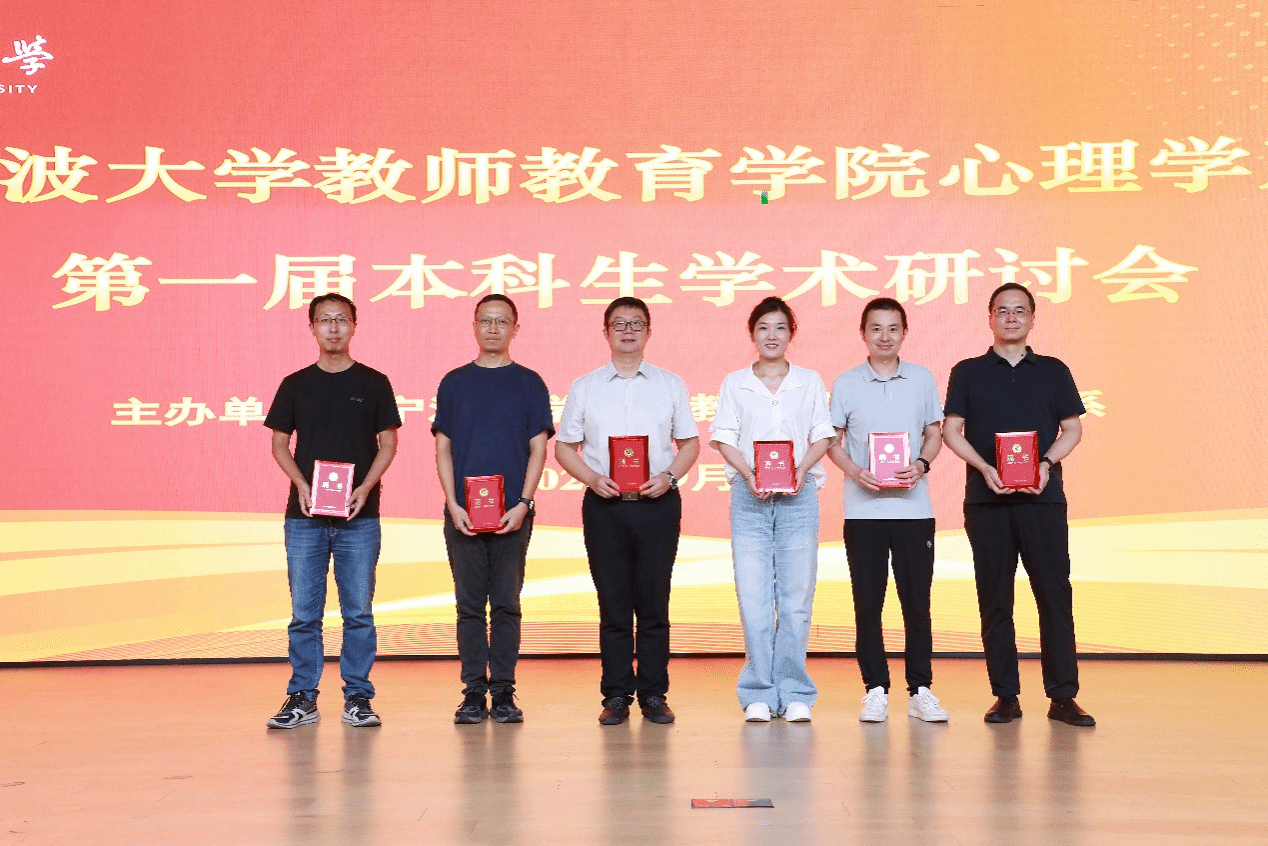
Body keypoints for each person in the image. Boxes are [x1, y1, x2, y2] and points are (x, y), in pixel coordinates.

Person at [942, 282, 1094, 727]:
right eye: (1003, 310)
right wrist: (984, 468)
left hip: (1043, 499)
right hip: (985, 500)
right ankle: (1005, 695)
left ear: (1032, 319)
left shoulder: (1053, 370)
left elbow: (1072, 429)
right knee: (995, 599)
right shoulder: (967, 371)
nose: (1011, 317)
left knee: (1054, 595)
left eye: (1020, 310)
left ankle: (1063, 696)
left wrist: (1046, 463)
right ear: (990, 317)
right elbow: (952, 431)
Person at [555, 297, 700, 725]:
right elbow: (564, 447)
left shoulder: (670, 384)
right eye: (619, 324)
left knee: (654, 603)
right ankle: (616, 694)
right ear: (606, 332)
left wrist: (669, 477)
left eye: (636, 323)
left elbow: (689, 443)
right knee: (614, 604)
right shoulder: (585, 386)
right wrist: (591, 478)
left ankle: (654, 693)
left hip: (658, 505)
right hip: (605, 506)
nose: (628, 331)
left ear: (649, 331)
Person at [263, 293, 401, 729]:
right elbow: (279, 445)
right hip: (304, 517)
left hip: (360, 516)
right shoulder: (295, 384)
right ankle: (303, 696)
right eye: (325, 320)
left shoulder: (374, 382)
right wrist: (302, 485)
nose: (334, 327)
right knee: (305, 614)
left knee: (358, 612)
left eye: (342, 319)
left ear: (354, 326)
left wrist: (365, 487)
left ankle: (358, 696)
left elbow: (389, 443)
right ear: (312, 328)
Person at [709, 297, 835, 723]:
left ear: (791, 334)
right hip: (749, 499)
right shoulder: (735, 383)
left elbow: (823, 433)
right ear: (752, 333)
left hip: (800, 497)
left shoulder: (809, 381)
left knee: (796, 599)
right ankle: (759, 692)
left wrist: (800, 470)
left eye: (780, 327)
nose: (772, 335)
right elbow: (724, 437)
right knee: (754, 599)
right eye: (763, 327)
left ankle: (796, 691)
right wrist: (749, 474)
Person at [433, 294, 554, 725]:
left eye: (502, 321)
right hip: (463, 514)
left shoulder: (529, 383)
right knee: (468, 607)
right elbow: (443, 448)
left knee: (506, 604)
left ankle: (503, 691)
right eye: (486, 320)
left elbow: (538, 449)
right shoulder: (454, 382)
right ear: (474, 326)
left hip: (513, 515)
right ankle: (472, 693)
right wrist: (452, 503)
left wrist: (524, 503)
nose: (493, 328)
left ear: (515, 329)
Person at [828, 297, 947, 723]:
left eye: (893, 328)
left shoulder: (922, 378)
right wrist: (855, 471)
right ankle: (875, 688)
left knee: (917, 603)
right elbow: (831, 441)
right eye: (876, 328)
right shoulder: (846, 382)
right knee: (868, 604)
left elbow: (934, 433)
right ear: (863, 333)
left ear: (904, 333)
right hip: (863, 512)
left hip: (915, 510)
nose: (884, 336)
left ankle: (921, 690)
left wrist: (921, 464)